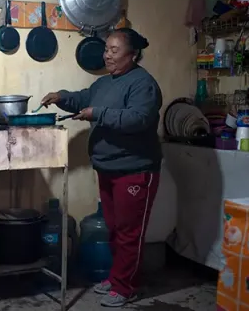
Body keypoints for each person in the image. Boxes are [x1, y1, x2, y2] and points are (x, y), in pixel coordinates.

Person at [41, 28, 162, 307]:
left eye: (114, 50)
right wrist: (61, 96)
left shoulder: (143, 84)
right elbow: (85, 97)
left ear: (133, 55)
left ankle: (125, 286)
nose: (107, 55)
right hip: (107, 167)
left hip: (135, 169)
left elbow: (138, 119)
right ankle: (118, 277)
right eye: (106, 49)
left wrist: (98, 114)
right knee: (115, 228)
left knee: (130, 231)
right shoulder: (105, 83)